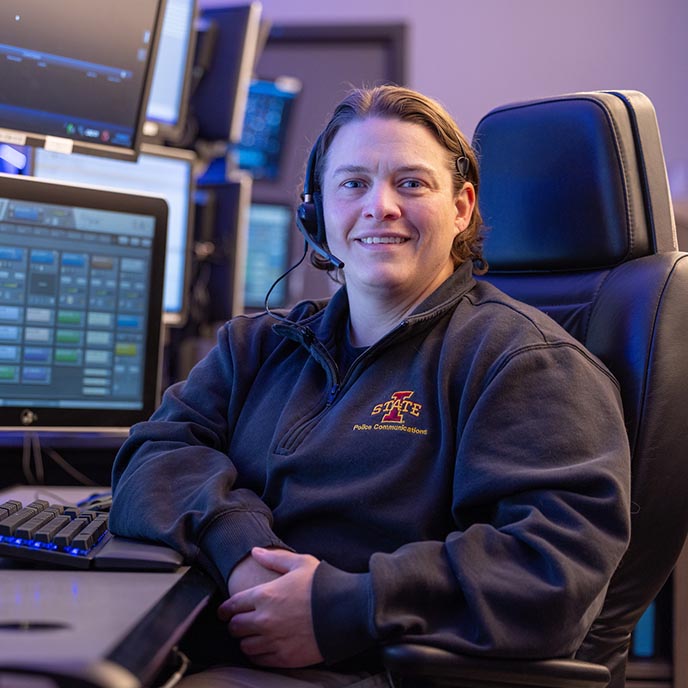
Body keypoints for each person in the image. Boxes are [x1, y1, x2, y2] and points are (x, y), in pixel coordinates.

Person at [109, 85, 631, 687]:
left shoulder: (525, 362)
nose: (379, 205)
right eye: (352, 183)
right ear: (316, 212)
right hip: (219, 649)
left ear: (461, 208)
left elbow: (551, 569)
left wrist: (341, 608)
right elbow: (154, 454)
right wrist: (242, 550)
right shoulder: (257, 346)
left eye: (411, 183)